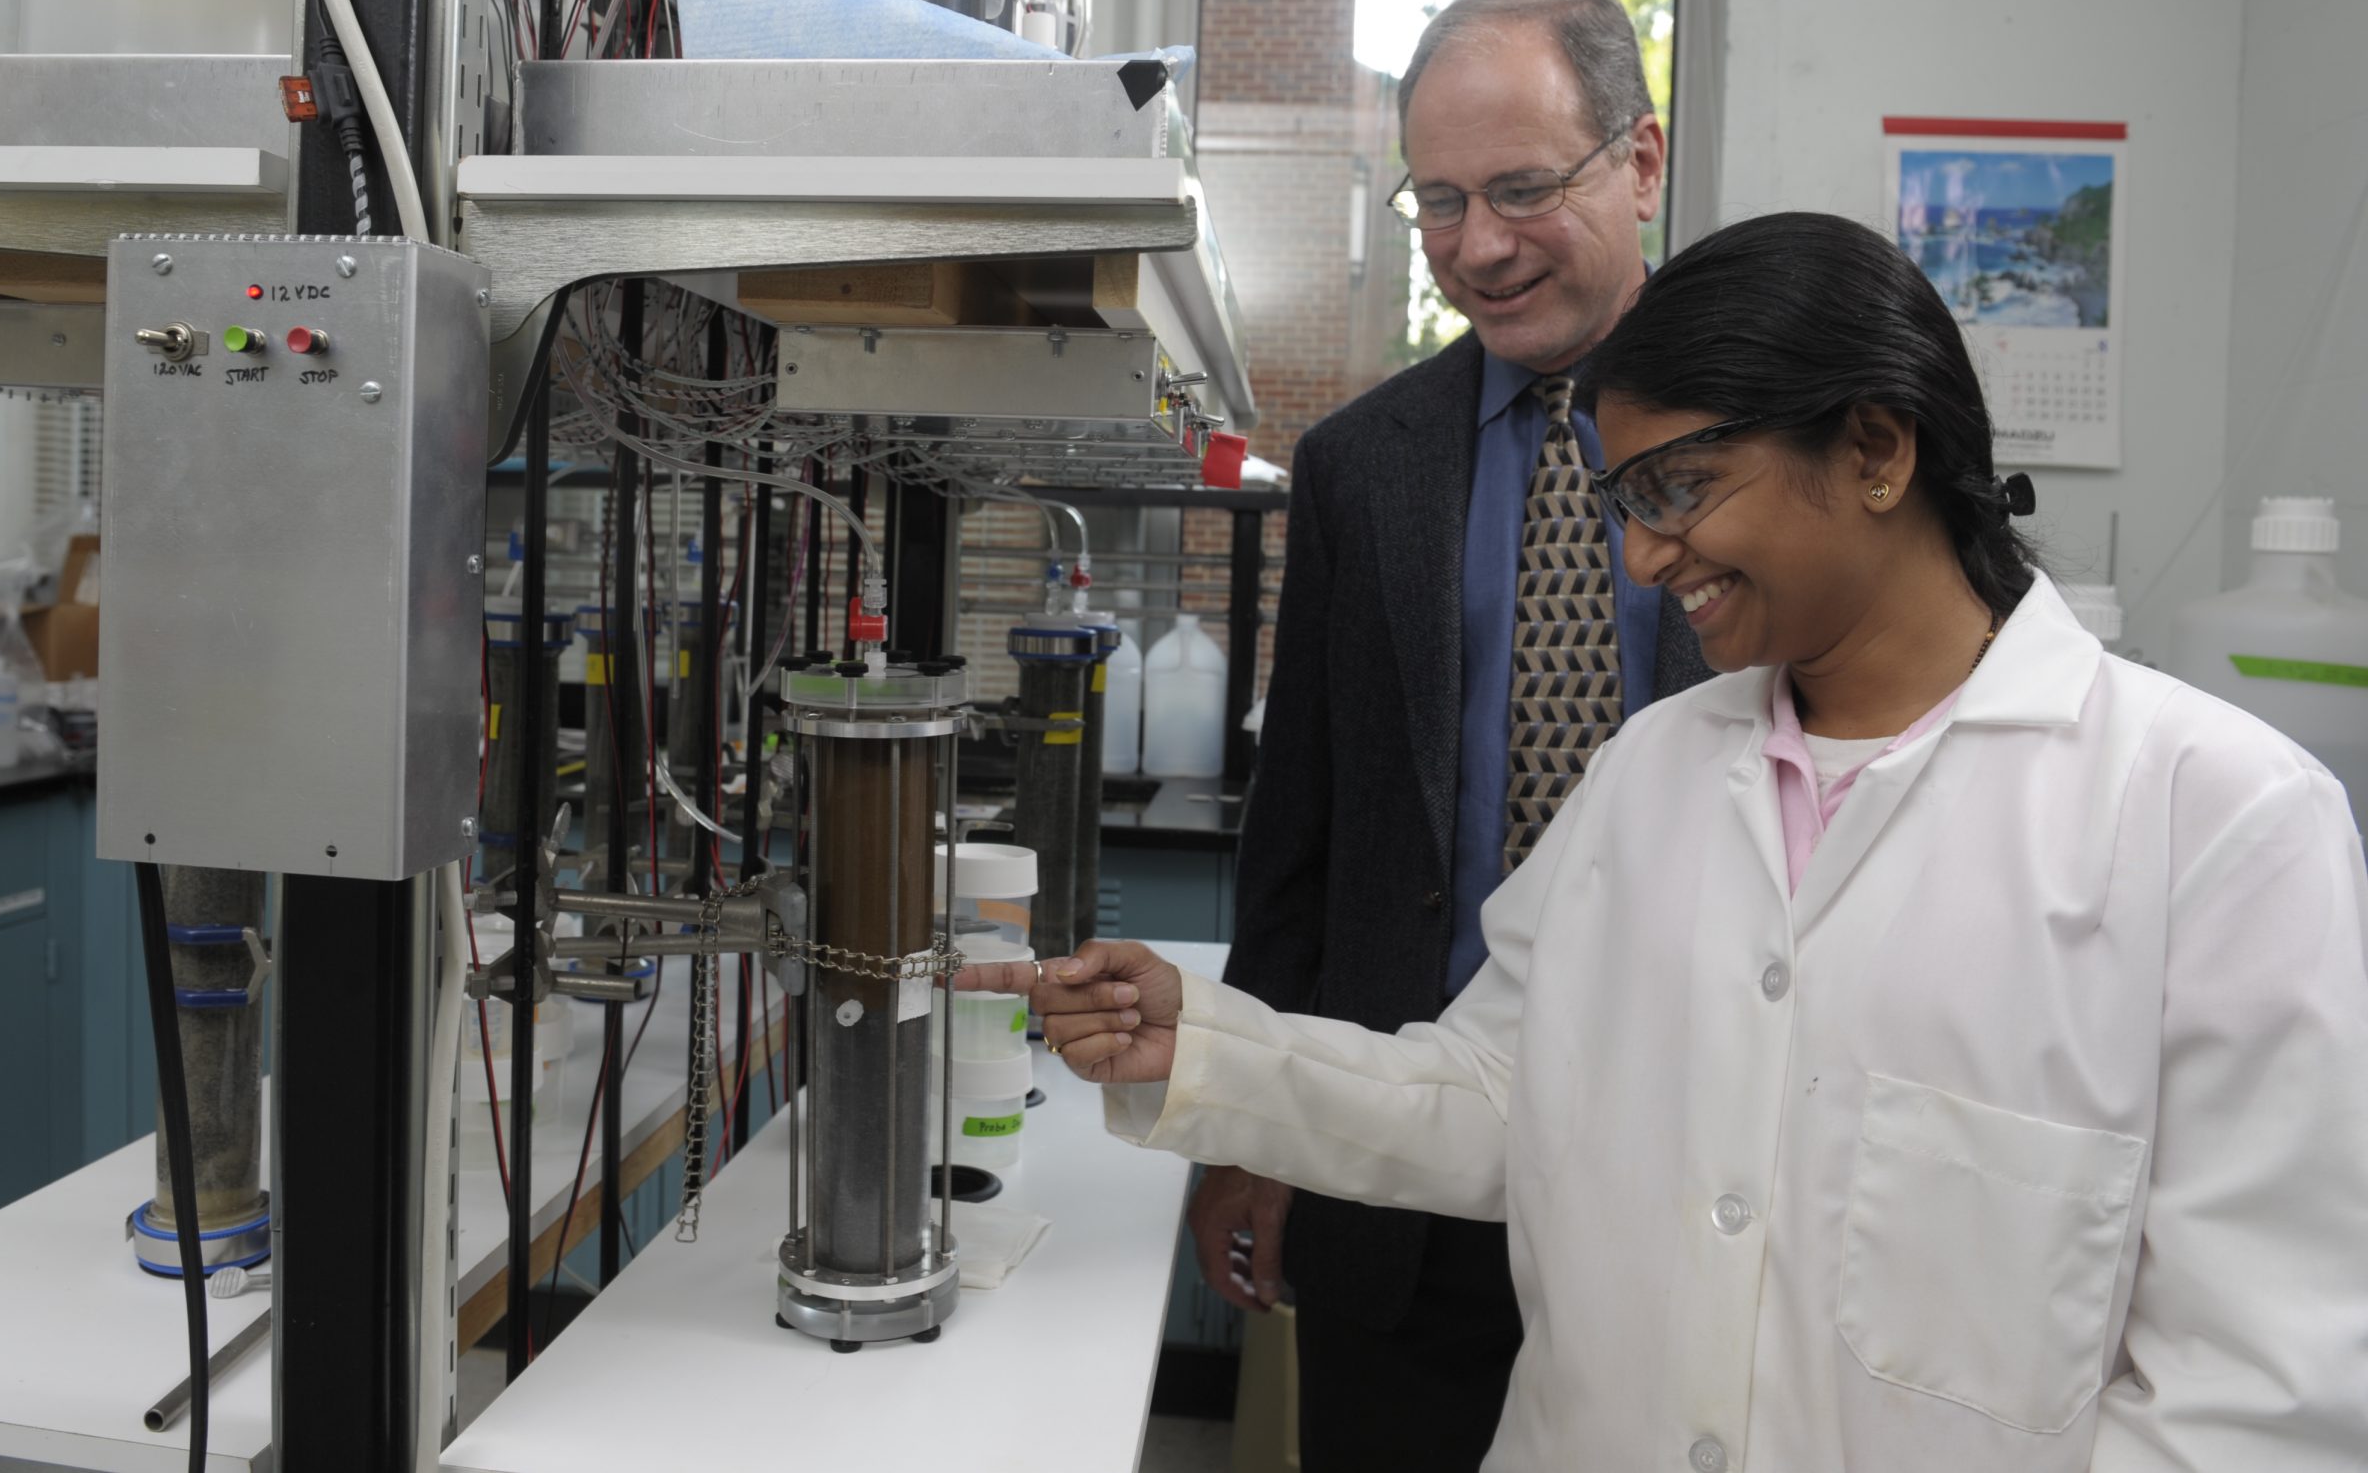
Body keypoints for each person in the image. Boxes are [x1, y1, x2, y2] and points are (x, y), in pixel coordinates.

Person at [969, 212, 2368, 1472]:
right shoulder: (1652, 773)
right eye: (1625, 501)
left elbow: (2253, 1399)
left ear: (1876, 451)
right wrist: (1207, 1047)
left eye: (1681, 488)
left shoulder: (2217, 822)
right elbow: (1500, 1098)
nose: (1643, 557)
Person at [1197, 0, 1708, 1469]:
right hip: (1401, 1187)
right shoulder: (1363, 467)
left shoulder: (1773, 441)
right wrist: (1254, 1131)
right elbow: (1301, 832)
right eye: (1438, 201)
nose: (1478, 247)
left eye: (1524, 189)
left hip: (1691, 1166)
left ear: (1641, 162)